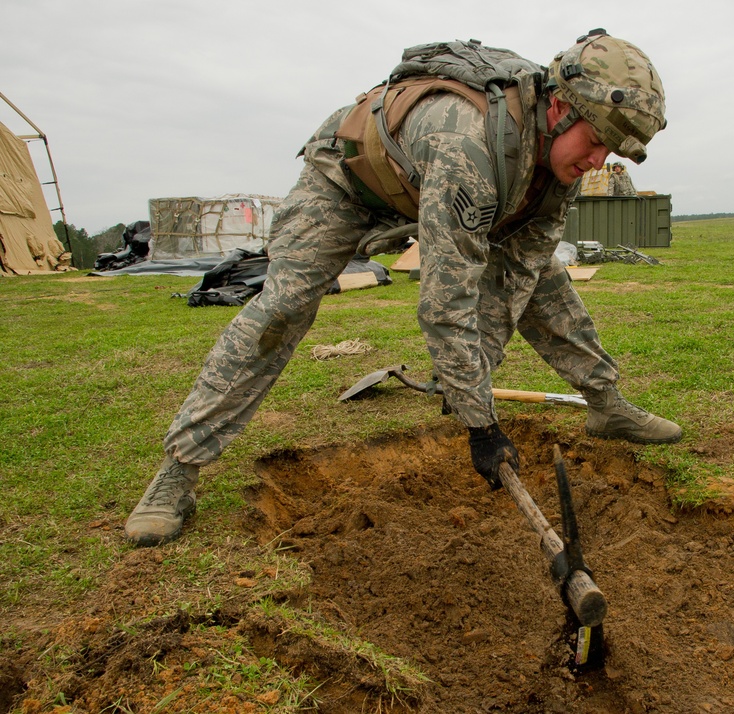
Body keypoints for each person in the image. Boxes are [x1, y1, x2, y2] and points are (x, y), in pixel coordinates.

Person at [125, 29, 683, 547]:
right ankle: (179, 470)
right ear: (560, 109)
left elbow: (515, 279)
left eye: (609, 153)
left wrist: (467, 384)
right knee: (284, 307)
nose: (595, 161)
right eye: (593, 143)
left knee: (546, 283)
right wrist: (480, 423)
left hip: (425, 187)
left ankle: (606, 404)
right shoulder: (469, 145)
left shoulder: (556, 172)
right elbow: (447, 302)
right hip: (346, 185)